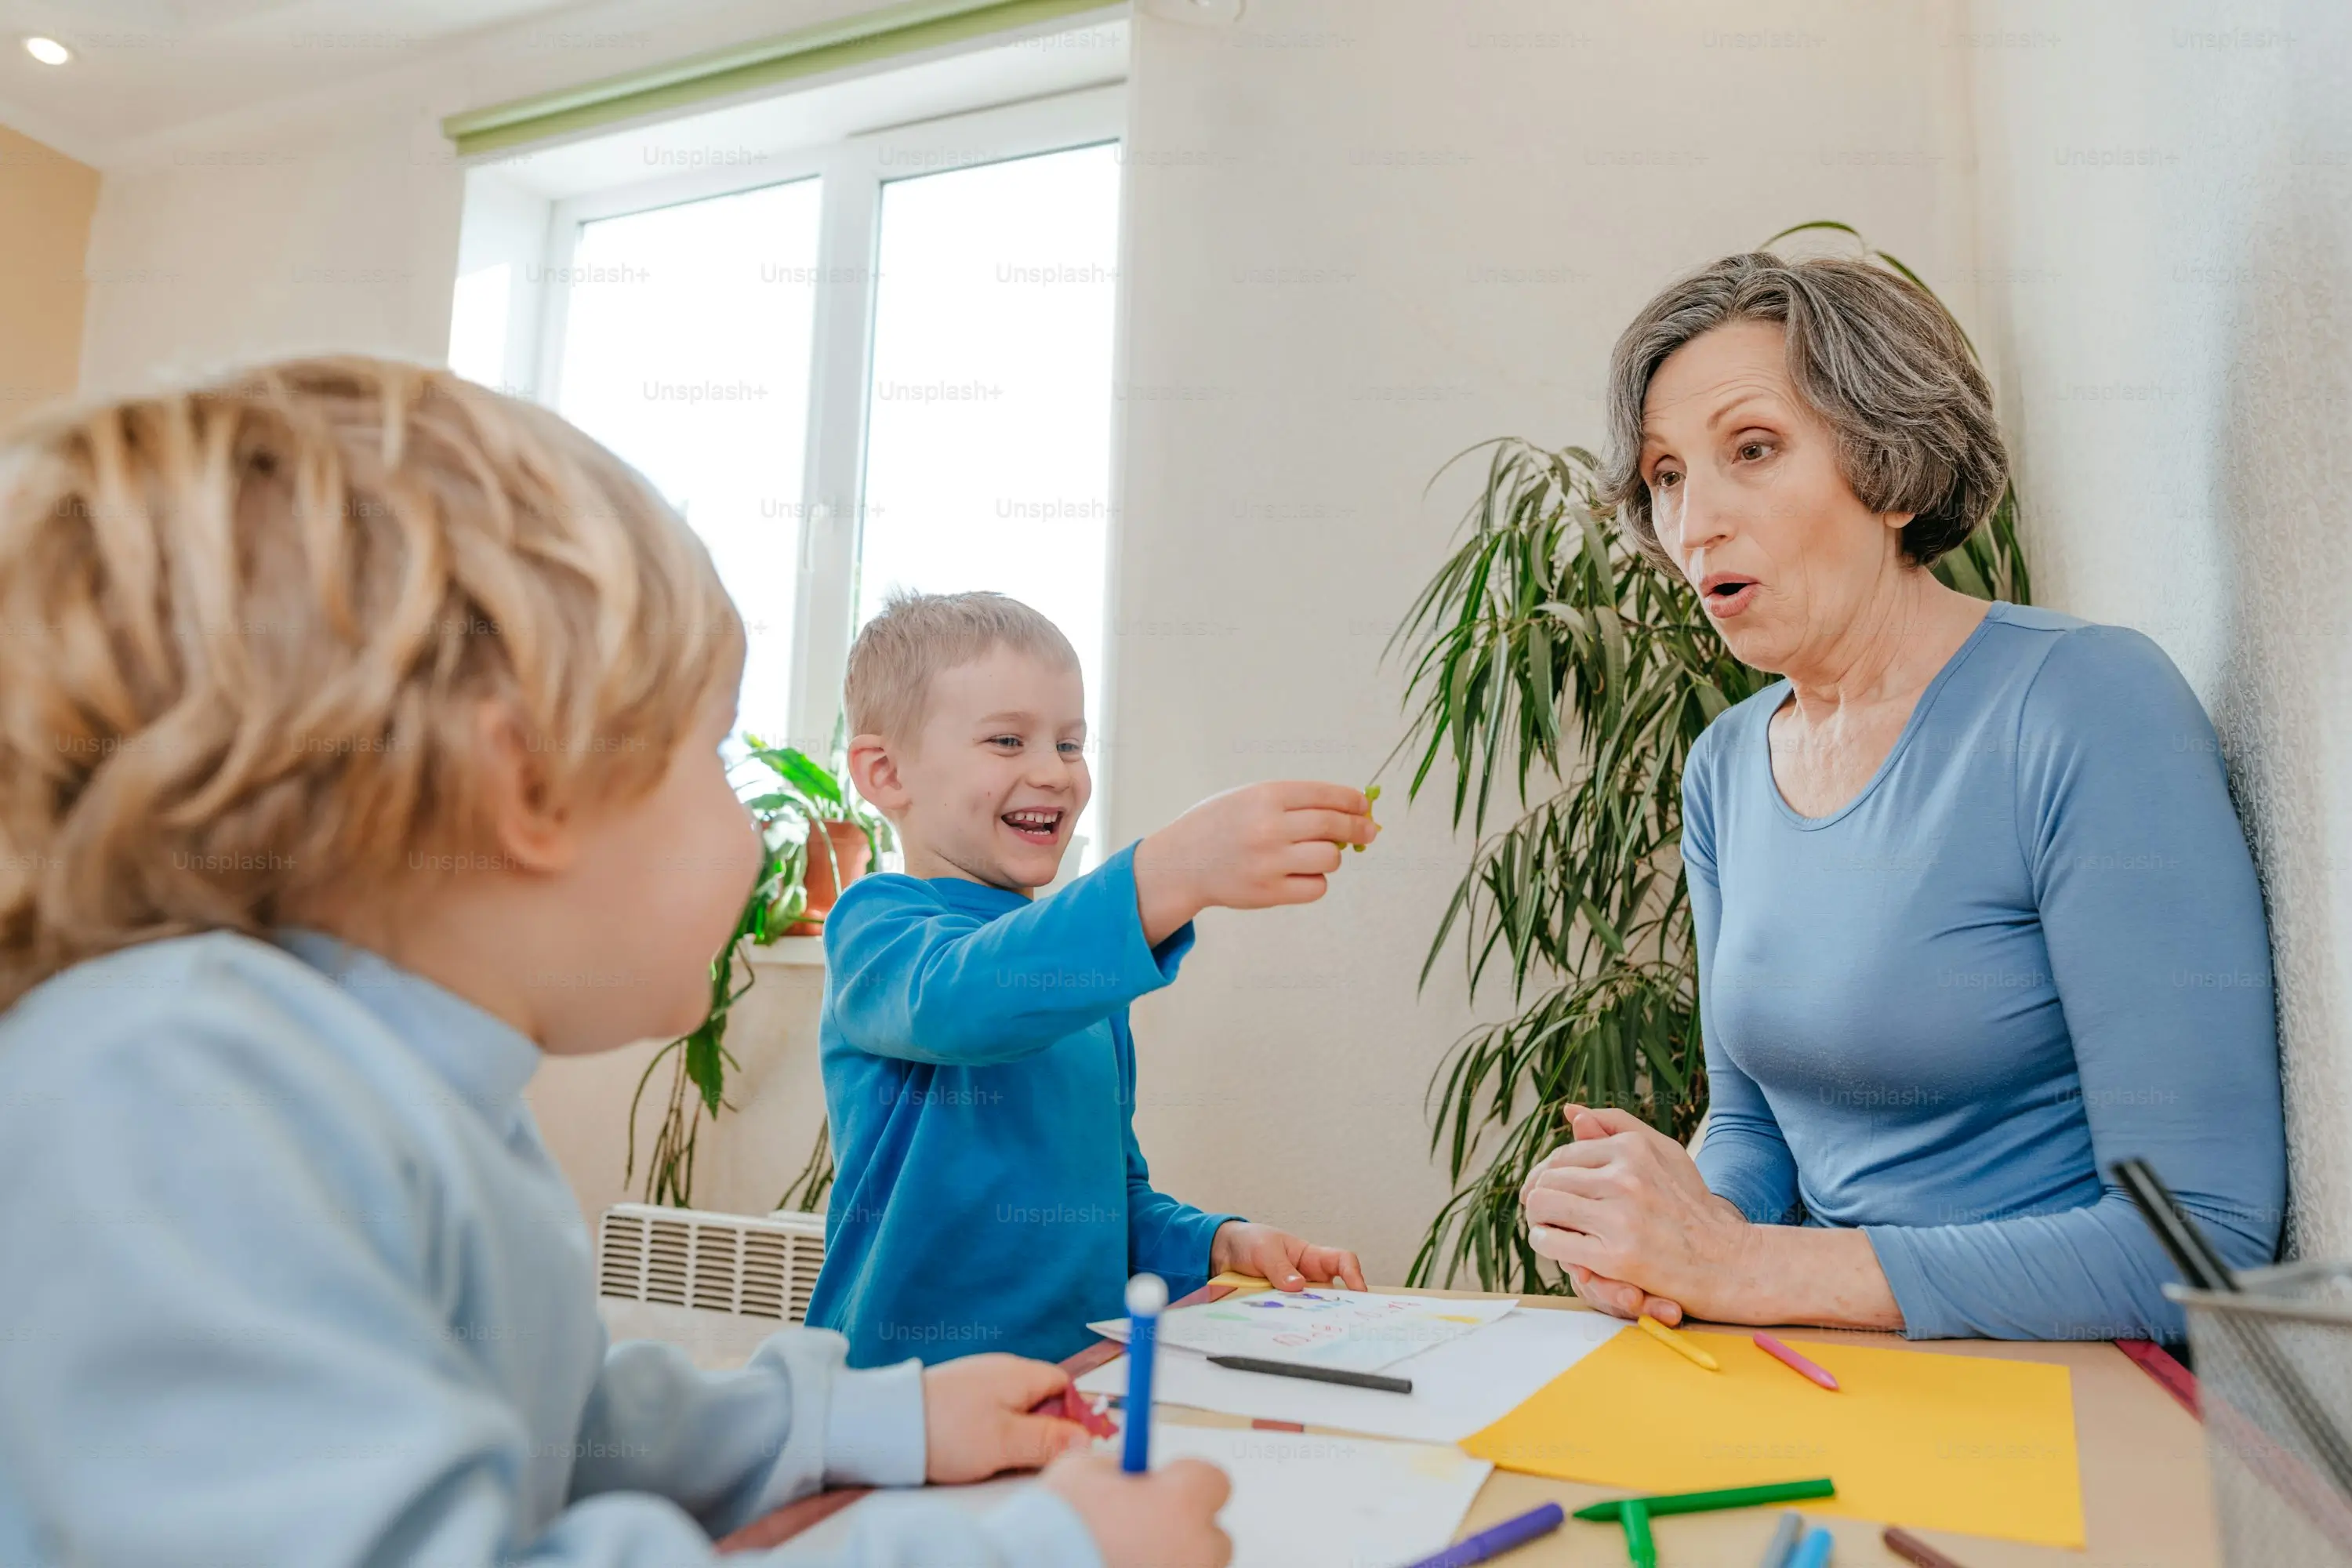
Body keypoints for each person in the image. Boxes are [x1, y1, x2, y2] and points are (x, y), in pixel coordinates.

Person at [0, 359, 1232, 1568]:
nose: (756, 830)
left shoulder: (432, 1101)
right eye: (708, 756)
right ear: (526, 783)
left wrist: (869, 1416)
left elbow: (567, 1431)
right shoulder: (173, 1093)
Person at [1519, 253, 2285, 1341]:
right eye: (1667, 476)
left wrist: (1742, 1265)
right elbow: (1755, 1125)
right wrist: (1670, 1228)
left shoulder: (2084, 706)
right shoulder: (1725, 768)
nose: (1694, 526)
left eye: (1754, 449)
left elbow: (2197, 1236)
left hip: (2072, 1387)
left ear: (1894, 472)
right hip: (1835, 1363)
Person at [808, 590, 1374, 1367]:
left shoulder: (1086, 985)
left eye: (1071, 745)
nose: (1053, 772)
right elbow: (959, 1002)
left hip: (1072, 1388)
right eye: (1008, 740)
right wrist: (1167, 871)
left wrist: (1216, 1240)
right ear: (884, 771)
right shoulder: (878, 926)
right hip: (908, 1400)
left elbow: (1111, 1200)